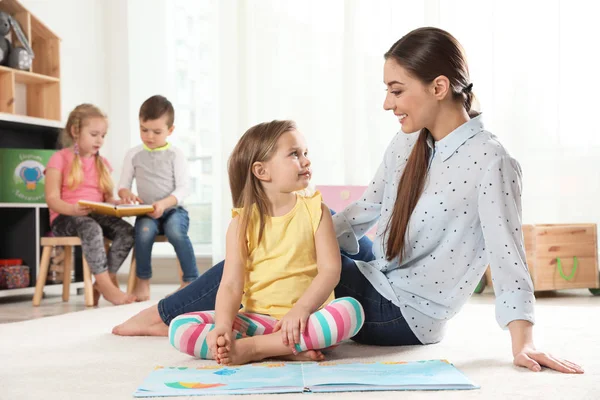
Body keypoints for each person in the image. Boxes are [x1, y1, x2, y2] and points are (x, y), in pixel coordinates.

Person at [113, 27, 583, 374]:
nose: (386, 103)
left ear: (438, 88)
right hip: (383, 271)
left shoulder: (490, 161)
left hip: (407, 311)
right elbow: (366, 211)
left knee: (285, 238)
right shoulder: (408, 141)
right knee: (284, 226)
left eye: (396, 90)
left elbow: (507, 255)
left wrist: (523, 342)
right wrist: (296, 232)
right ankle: (193, 311)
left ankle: (174, 316)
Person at [169, 120, 364, 365]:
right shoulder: (241, 223)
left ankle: (253, 349)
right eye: (294, 154)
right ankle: (280, 348)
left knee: (350, 312)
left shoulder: (317, 210)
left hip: (305, 319)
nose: (305, 160)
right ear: (261, 171)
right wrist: (222, 326)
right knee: (180, 327)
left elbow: (330, 271)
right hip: (256, 321)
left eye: (305, 153)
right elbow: (230, 284)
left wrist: (301, 310)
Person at [45, 104, 135, 305]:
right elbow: (51, 199)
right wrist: (73, 209)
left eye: (103, 135)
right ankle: (106, 285)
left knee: (127, 231)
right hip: (65, 218)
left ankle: (102, 282)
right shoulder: (59, 159)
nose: (99, 140)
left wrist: (119, 203)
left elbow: (106, 198)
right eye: (94, 134)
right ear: (75, 131)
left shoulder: (101, 162)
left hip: (93, 214)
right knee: (90, 227)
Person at [118, 95, 199, 301]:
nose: (149, 136)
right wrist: (126, 194)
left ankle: (190, 282)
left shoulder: (175, 155)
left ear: (170, 131)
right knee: (143, 234)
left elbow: (183, 189)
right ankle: (143, 283)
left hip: (173, 210)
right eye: (144, 130)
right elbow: (123, 186)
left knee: (176, 233)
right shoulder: (133, 155)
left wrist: (164, 204)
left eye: (156, 131)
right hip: (146, 211)